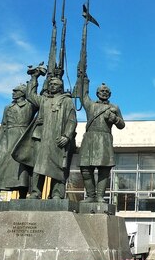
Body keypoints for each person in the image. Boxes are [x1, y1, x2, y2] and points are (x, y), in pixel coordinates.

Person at [12, 65, 77, 199]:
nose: (52, 86)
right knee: (38, 166)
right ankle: (36, 192)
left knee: (59, 166)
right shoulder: (44, 100)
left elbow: (72, 121)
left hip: (58, 138)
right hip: (41, 138)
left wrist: (67, 136)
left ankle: (57, 194)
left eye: (55, 84)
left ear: (60, 87)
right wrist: (34, 77)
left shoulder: (67, 101)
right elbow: (30, 95)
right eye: (50, 84)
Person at [0, 83, 37, 203]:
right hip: (7, 138)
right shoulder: (8, 107)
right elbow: (3, 125)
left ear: (23, 92)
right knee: (0, 163)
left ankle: (22, 195)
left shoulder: (29, 105)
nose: (13, 93)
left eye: (16, 90)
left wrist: (34, 79)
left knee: (21, 166)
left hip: (22, 137)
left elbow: (35, 96)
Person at [76, 75, 125, 203]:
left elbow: (122, 125)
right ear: (97, 93)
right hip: (90, 139)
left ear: (110, 94)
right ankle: (91, 196)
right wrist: (84, 80)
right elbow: (82, 95)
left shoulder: (114, 108)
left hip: (105, 139)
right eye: (102, 91)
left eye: (107, 91)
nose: (104, 93)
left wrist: (114, 119)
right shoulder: (90, 105)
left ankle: (99, 196)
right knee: (86, 169)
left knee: (104, 169)